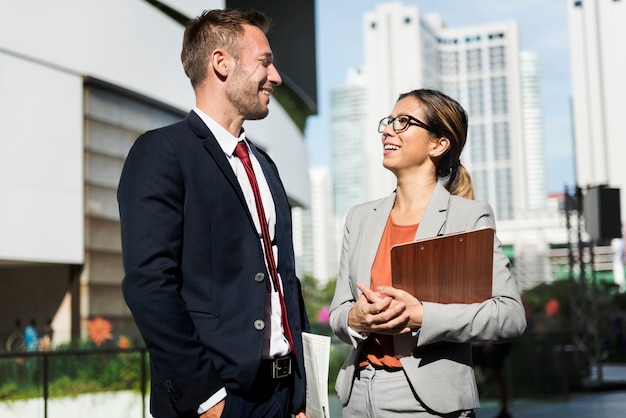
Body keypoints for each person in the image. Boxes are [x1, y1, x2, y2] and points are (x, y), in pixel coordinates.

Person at [117, 9, 308, 418]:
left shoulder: (266, 165)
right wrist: (207, 400)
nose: (274, 77)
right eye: (265, 62)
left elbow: (285, 280)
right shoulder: (162, 153)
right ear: (221, 63)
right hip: (218, 401)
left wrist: (299, 394)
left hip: (283, 396)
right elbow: (149, 285)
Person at [329, 89, 527, 417]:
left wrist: (421, 316)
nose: (389, 130)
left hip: (427, 402)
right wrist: (356, 319)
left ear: (438, 144)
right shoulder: (359, 218)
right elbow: (339, 311)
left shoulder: (468, 217)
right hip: (358, 396)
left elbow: (509, 316)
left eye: (404, 122)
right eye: (389, 121)